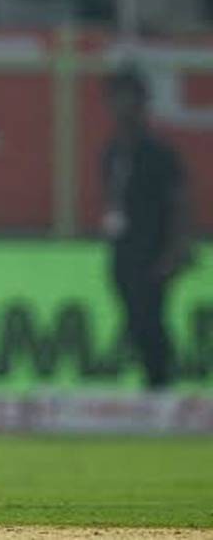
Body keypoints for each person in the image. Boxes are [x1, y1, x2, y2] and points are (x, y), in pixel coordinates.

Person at [101, 69, 194, 390]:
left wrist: (175, 251)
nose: (121, 106)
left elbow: (179, 204)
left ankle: (161, 382)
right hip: (124, 250)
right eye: (116, 98)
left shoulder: (159, 154)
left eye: (129, 98)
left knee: (151, 318)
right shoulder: (112, 152)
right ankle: (152, 379)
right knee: (135, 319)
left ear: (142, 104)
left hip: (153, 250)